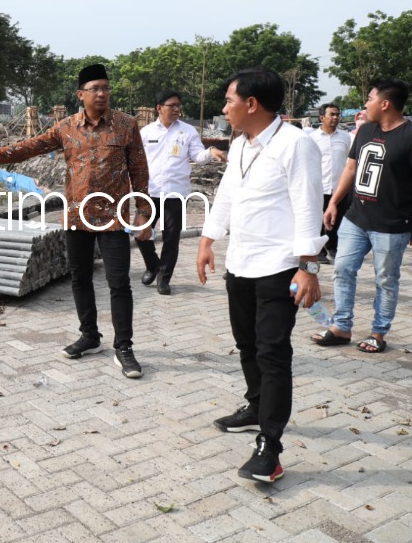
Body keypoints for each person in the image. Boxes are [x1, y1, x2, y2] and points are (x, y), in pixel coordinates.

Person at [0, 63, 152, 378]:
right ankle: (90, 336)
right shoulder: (66, 127)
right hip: (77, 216)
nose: (102, 93)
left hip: (114, 219)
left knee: (119, 283)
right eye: (95, 88)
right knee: (80, 279)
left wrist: (143, 214)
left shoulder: (126, 125)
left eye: (106, 87)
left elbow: (140, 173)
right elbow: (27, 148)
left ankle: (124, 347)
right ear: (81, 94)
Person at [196, 68, 326, 483]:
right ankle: (256, 407)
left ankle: (271, 446)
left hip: (280, 266)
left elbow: (308, 207)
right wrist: (207, 239)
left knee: (272, 353)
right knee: (246, 343)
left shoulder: (296, 144)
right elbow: (229, 194)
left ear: (251, 104)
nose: (224, 108)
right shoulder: (240, 144)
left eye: (229, 100)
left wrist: (308, 268)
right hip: (241, 263)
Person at [314, 79, 412, 353]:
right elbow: (350, 169)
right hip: (356, 218)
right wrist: (334, 202)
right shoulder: (366, 130)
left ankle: (378, 333)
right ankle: (341, 326)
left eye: (369, 99)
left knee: (386, 279)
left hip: (392, 225)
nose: (365, 104)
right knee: (342, 269)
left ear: (385, 104)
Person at [137, 90, 226, 295]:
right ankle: (153, 265)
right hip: (150, 192)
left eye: (179, 105)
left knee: (171, 237)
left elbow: (198, 156)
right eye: (172, 105)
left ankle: (164, 278)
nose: (177, 109)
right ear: (159, 108)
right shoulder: (146, 132)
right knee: (140, 233)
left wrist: (211, 152)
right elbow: (138, 161)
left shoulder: (188, 132)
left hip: (176, 193)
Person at [304, 103, 351, 263]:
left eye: (337, 114)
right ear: (322, 117)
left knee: (336, 221)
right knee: (318, 220)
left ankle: (333, 248)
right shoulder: (311, 138)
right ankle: (319, 252)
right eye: (332, 114)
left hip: (339, 188)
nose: (335, 117)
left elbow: (350, 163)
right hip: (319, 187)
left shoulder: (346, 137)